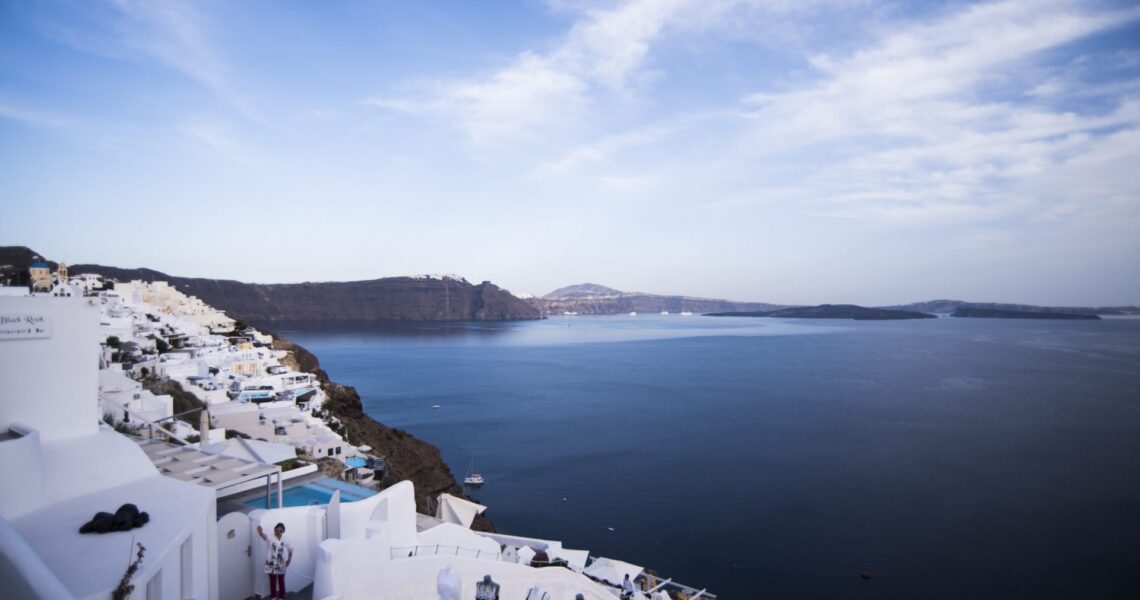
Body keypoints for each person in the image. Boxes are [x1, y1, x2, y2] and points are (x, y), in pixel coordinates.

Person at [256, 522, 293, 600]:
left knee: (281, 581)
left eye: (280, 530)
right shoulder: (271, 537)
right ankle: (273, 597)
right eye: (276, 530)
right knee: (272, 581)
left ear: (283, 531)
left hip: (281, 564)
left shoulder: (285, 539)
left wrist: (289, 560)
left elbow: (290, 549)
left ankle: (281, 597)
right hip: (271, 563)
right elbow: (264, 536)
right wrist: (260, 532)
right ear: (274, 530)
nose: (278, 532)